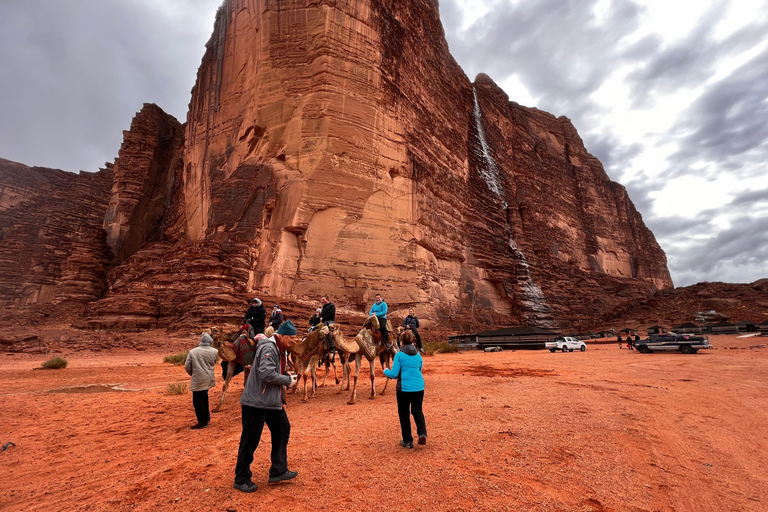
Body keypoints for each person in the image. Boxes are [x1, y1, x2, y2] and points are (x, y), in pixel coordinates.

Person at [234, 320, 300, 493]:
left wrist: (284, 374)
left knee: (282, 428)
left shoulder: (279, 349)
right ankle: (241, 478)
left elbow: (272, 371)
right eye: (291, 338)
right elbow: (266, 373)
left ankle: (278, 470)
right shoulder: (269, 348)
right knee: (250, 439)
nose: (293, 341)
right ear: (282, 335)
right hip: (257, 401)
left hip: (270, 400)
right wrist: (287, 381)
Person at [383, 331, 427, 448]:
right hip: (419, 387)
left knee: (404, 414)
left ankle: (407, 441)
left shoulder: (399, 355)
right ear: (412, 341)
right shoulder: (418, 355)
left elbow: (394, 374)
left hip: (404, 389)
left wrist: (385, 370)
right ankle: (422, 434)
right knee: (417, 411)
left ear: (401, 342)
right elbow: (420, 370)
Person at [184, 332, 219, 429]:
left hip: (198, 379)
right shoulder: (215, 351)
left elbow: (187, 367)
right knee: (204, 397)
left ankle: (202, 422)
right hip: (209, 378)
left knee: (198, 401)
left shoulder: (193, 352)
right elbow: (214, 362)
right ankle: (206, 418)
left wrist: (193, 374)